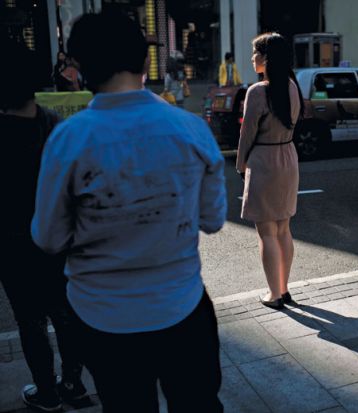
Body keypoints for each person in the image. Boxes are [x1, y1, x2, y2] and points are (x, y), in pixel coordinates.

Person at [31, 12, 227, 412]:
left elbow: (48, 238)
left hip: (103, 315)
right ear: (143, 63)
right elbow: (212, 219)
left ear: (81, 68)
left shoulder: (68, 139)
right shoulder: (190, 129)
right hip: (182, 306)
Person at [1, 40, 86, 412]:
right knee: (65, 315)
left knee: (30, 321)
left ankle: (47, 393)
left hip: (12, 245)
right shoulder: (56, 126)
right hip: (59, 240)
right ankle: (73, 383)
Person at [236, 33, 304, 310]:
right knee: (283, 228)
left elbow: (246, 133)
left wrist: (241, 165)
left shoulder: (257, 92)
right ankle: (284, 290)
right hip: (288, 156)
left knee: (266, 231)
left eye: (255, 53)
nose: (253, 58)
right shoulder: (292, 86)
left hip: (264, 159)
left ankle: (273, 294)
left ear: (265, 58)